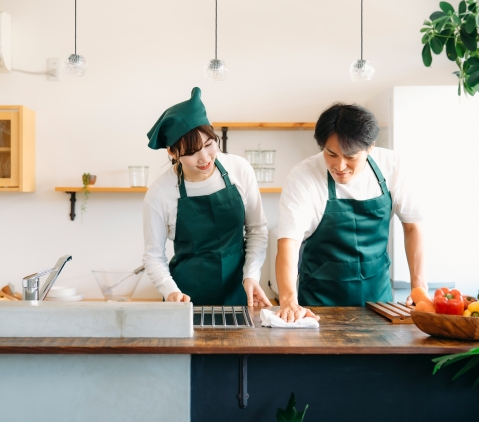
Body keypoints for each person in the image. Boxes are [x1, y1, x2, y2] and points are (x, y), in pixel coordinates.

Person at [275, 103, 427, 321]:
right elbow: (288, 244)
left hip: (379, 299)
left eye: (351, 156)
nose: (340, 165)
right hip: (320, 302)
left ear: (370, 147)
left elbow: (413, 226)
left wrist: (418, 288)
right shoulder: (303, 177)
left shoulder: (393, 166)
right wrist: (289, 301)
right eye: (331, 154)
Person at [143, 87, 271, 307]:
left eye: (209, 144)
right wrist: (170, 291)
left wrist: (251, 274)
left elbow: (257, 230)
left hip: (239, 291)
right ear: (173, 153)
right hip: (186, 299)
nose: (204, 158)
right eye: (191, 153)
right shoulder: (160, 193)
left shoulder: (239, 169)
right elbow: (153, 256)